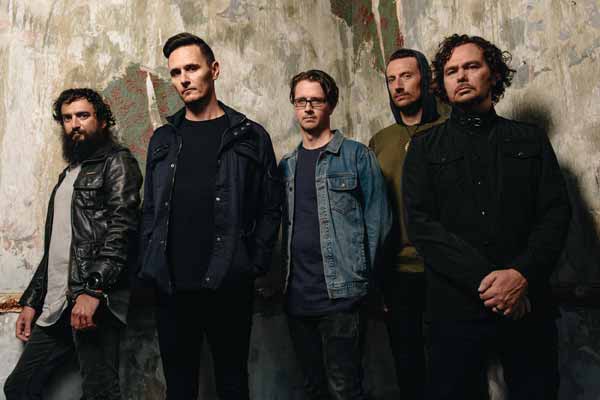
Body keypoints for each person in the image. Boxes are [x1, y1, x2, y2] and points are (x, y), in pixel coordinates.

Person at [402, 34, 571, 400]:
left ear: (493, 74)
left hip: (526, 304)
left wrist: (521, 275)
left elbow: (555, 213)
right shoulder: (424, 147)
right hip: (455, 311)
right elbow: (421, 225)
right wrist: (490, 283)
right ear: (442, 83)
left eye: (471, 66)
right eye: (451, 71)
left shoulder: (530, 139)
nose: (461, 76)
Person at [138, 32, 281, 400]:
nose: (183, 79)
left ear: (214, 70)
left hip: (229, 283)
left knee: (232, 384)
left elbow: (270, 206)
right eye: (175, 72)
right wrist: (149, 265)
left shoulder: (250, 136)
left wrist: (254, 262)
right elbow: (150, 208)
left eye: (192, 68)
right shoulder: (163, 138)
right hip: (171, 286)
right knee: (179, 389)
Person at [4, 88, 142, 400]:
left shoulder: (117, 162)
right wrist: (32, 301)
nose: (74, 124)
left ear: (102, 121)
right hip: (57, 304)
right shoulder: (68, 175)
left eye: (83, 115)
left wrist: (93, 291)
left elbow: (123, 230)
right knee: (19, 388)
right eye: (67, 118)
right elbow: (58, 247)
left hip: (92, 301)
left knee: (99, 392)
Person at [279, 69, 391, 400]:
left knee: (344, 388)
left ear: (331, 104)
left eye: (316, 100)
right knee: (312, 388)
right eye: (301, 101)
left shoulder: (357, 156)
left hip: (342, 296)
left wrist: (364, 281)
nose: (308, 108)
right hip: (297, 296)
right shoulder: (287, 165)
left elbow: (379, 222)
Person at [368, 48, 448, 400]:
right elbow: (372, 209)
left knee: (453, 364)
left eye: (406, 76)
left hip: (446, 268)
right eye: (391, 79)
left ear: (425, 80)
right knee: (408, 365)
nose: (398, 85)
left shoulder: (449, 129)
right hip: (397, 272)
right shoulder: (380, 141)